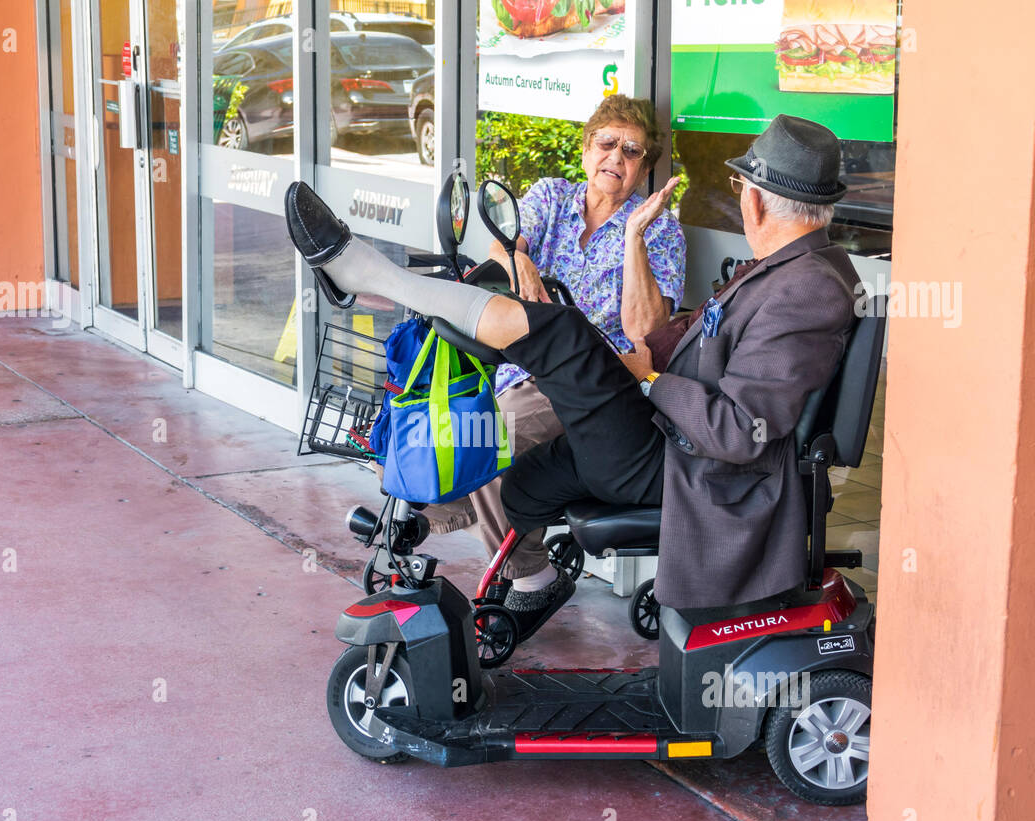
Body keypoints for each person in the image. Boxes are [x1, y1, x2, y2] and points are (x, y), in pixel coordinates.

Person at [286, 113, 860, 618]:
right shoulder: (790, 269)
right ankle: (532, 582)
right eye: (605, 144)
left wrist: (650, 378)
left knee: (564, 334)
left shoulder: (805, 287)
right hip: (665, 434)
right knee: (523, 487)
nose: (616, 158)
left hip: (688, 462)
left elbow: (739, 429)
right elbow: (706, 340)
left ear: (754, 199)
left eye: (740, 185)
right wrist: (652, 360)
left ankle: (365, 276)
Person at [423, 95, 686, 636]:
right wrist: (520, 259)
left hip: (600, 386)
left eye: (632, 150)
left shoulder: (662, 232)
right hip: (522, 367)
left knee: (494, 435)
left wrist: (633, 236)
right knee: (451, 418)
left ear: (643, 165)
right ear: (587, 147)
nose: (617, 156)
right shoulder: (551, 196)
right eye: (607, 142)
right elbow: (502, 249)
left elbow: (643, 330)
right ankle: (457, 515)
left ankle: (531, 575)